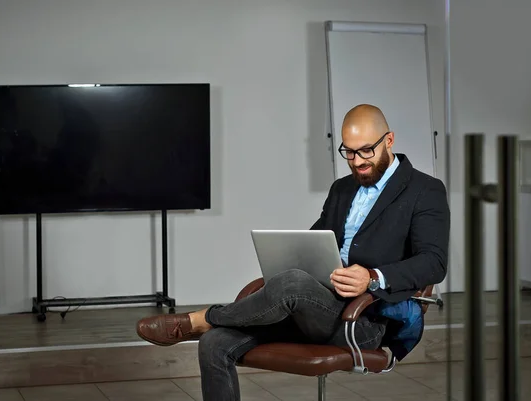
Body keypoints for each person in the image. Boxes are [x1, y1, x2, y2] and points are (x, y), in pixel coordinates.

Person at [136, 104, 450, 401]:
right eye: (349, 152)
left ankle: (204, 317)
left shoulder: (425, 190)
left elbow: (433, 263)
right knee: (214, 343)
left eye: (366, 150)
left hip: (364, 320)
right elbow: (314, 241)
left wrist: (371, 278)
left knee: (291, 285)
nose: (357, 161)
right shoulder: (342, 189)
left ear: (389, 140)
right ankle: (209, 326)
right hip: (315, 307)